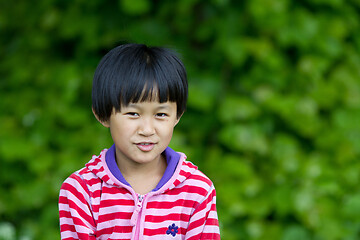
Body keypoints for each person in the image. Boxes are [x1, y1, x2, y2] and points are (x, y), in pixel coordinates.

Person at [58, 43, 220, 239]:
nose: (147, 130)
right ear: (103, 115)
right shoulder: (82, 191)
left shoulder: (197, 191)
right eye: (133, 113)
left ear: (177, 116)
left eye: (161, 114)